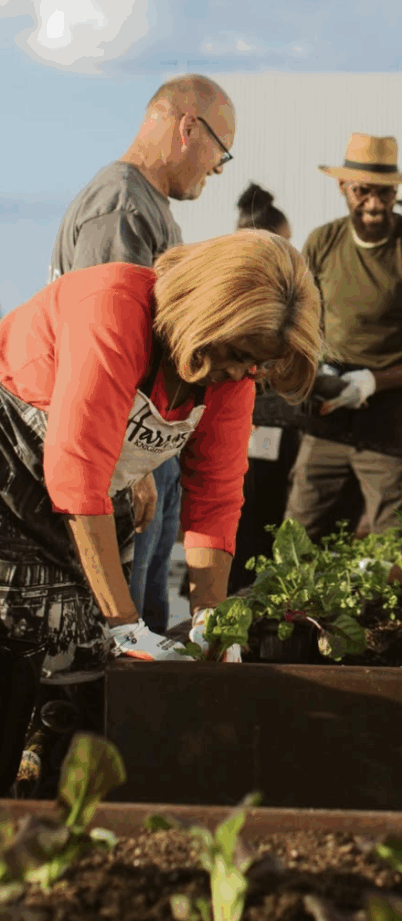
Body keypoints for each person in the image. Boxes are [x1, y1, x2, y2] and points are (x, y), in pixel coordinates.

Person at [0, 231, 320, 782]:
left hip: (90, 491)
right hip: (12, 464)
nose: (240, 374)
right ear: (207, 315)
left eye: (255, 365)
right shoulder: (114, 307)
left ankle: (50, 796)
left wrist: (210, 617)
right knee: (17, 643)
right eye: (237, 355)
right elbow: (77, 471)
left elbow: (216, 495)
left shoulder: (231, 376)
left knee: (82, 661)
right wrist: (125, 623)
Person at [49, 73, 237, 636]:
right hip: (124, 452)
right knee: (125, 632)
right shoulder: (121, 207)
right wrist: (124, 466)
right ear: (188, 128)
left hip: (144, 452)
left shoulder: (146, 206)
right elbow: (101, 357)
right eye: (221, 151)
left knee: (150, 620)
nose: (219, 168)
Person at [285, 132, 402, 546]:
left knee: (400, 546)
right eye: (362, 191)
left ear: (396, 192)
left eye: (385, 192)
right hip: (329, 415)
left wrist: (374, 381)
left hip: (395, 422)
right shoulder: (322, 243)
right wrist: (317, 369)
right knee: (301, 541)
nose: (374, 203)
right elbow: (300, 321)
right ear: (342, 187)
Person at [228, 184, 303, 594]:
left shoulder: (277, 286)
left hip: (276, 427)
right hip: (255, 426)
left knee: (263, 521)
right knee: (249, 520)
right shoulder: (245, 288)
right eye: (285, 242)